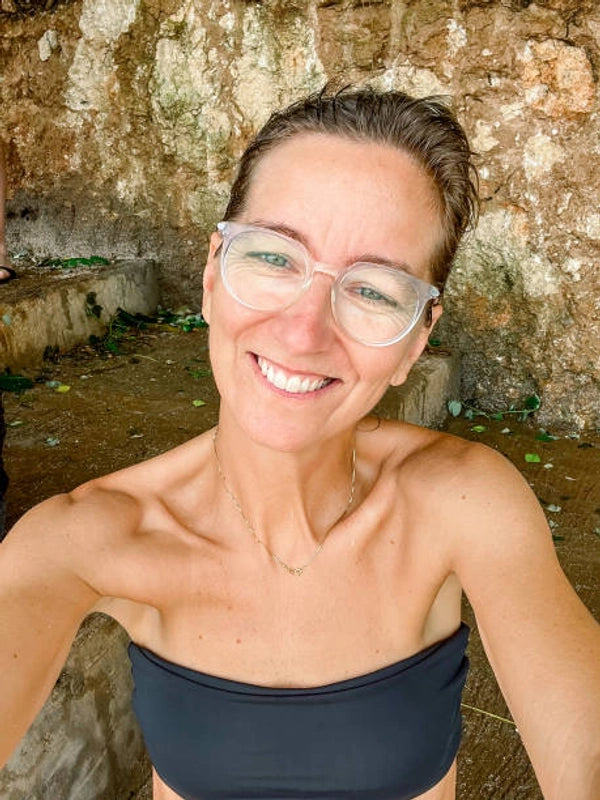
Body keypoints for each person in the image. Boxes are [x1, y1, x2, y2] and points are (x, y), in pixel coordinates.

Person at [1, 86, 599, 800]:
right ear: (212, 276)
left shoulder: (462, 500)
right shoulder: (88, 537)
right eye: (274, 257)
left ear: (417, 341)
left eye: (374, 290)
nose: (303, 331)